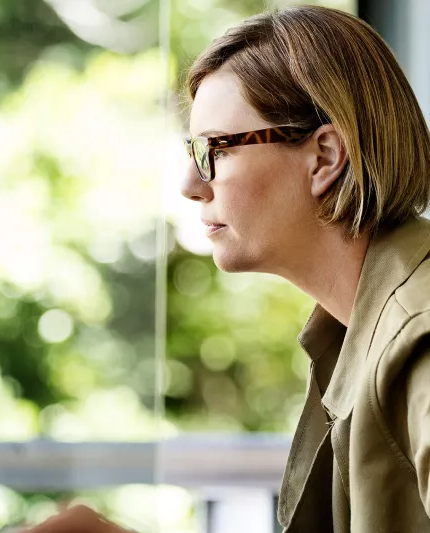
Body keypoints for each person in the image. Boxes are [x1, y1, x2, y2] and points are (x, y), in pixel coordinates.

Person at [27, 5, 430, 532]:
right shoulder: (357, 326)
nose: (190, 184)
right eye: (192, 150)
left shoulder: (418, 334)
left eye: (215, 148)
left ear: (325, 157)